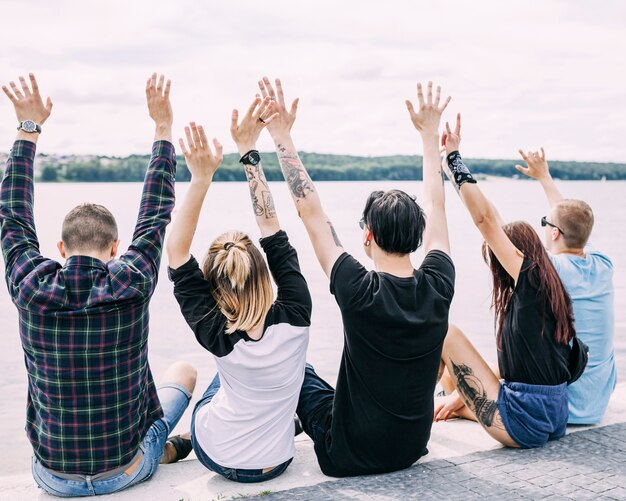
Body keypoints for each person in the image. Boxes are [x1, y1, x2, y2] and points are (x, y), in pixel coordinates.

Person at [0, 73, 196, 497]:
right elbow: (155, 214)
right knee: (184, 372)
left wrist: (28, 129)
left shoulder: (30, 287)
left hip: (53, 478)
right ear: (113, 248)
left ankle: (162, 449)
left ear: (60, 247)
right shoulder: (132, 281)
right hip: (123, 472)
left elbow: (13, 216)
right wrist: (163, 128)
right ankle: (163, 450)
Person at [257, 77, 455, 477]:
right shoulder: (439, 283)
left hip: (347, 455)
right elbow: (436, 204)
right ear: (418, 237)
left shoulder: (358, 289)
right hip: (411, 447)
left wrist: (281, 136)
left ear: (368, 235)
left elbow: (310, 211)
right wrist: (430, 136)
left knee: (298, 369)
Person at [166, 97, 312, 483]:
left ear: (213, 287)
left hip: (220, 457)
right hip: (277, 461)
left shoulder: (216, 332)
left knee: (220, 379)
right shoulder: (297, 311)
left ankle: (182, 441)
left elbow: (177, 252)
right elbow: (272, 230)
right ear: (265, 274)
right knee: (298, 368)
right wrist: (249, 153)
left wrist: (201, 178)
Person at [433, 114, 579, 449]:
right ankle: (451, 401)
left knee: (442, 330)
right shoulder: (545, 281)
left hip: (524, 418)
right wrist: (448, 163)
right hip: (551, 414)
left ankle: (409, 410)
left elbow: (485, 221)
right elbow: (493, 218)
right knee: (453, 379)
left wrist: (454, 160)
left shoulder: (530, 280)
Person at [515, 149, 615, 424]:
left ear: (554, 233)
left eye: (546, 224)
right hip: (596, 405)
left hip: (563, 404)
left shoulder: (552, 270)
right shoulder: (603, 264)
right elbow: (572, 222)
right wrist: (544, 178)